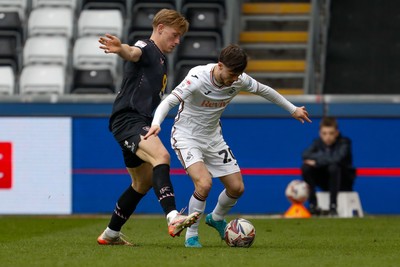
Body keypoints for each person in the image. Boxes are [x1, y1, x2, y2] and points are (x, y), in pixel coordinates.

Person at [144, 44, 311, 248]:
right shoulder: (197, 77)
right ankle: (192, 235)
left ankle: (216, 218)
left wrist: (293, 109)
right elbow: (169, 101)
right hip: (186, 137)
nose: (235, 78)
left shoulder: (239, 79)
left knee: (237, 187)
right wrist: (156, 123)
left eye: (238, 74)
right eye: (232, 73)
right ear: (220, 65)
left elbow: (266, 91)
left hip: (213, 138)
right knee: (204, 184)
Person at [96, 9, 200, 246]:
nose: (177, 41)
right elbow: (134, 52)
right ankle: (173, 217)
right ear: (160, 28)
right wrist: (121, 48)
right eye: (174, 35)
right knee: (161, 156)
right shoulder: (147, 47)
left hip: (135, 121)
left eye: (180, 37)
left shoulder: (161, 57)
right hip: (128, 120)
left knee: (141, 183)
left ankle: (110, 233)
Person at [301, 117, 356, 216]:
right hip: (325, 181)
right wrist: (323, 159)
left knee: (334, 167)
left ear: (337, 133)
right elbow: (305, 155)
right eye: (324, 133)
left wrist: (317, 162)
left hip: (344, 181)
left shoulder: (345, 143)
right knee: (306, 167)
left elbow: (337, 159)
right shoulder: (317, 143)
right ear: (320, 133)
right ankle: (313, 205)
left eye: (331, 133)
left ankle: (333, 206)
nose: (328, 137)